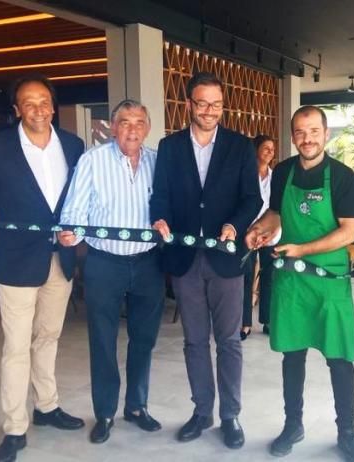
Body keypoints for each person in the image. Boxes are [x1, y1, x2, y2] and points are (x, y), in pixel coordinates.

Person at [246, 106, 354, 462]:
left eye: (314, 131)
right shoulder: (282, 172)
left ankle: (347, 431)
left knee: (339, 358)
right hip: (292, 282)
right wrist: (259, 230)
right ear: (293, 135)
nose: (307, 138)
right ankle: (293, 424)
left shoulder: (343, 177)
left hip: (329, 282)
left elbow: (350, 231)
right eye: (300, 132)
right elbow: (276, 214)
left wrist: (303, 248)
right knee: (292, 356)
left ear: (326, 134)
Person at [0, 74, 84, 462]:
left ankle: (47, 406)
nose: (37, 108)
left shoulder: (73, 145)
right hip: (17, 261)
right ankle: (14, 428)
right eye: (28, 102)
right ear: (17, 109)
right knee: (16, 347)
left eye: (43, 101)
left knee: (48, 338)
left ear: (53, 106)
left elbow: (80, 199)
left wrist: (80, 229)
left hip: (62, 258)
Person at [151, 72, 262, 449]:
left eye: (216, 104)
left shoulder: (239, 146)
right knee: (194, 341)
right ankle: (202, 411)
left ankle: (230, 416)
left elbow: (253, 198)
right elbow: (160, 196)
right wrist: (160, 219)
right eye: (202, 103)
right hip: (185, 259)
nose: (210, 111)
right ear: (188, 105)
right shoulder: (169, 147)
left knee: (228, 341)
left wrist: (234, 224)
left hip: (226, 259)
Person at [58, 99, 164, 444]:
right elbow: (75, 208)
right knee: (103, 341)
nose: (132, 129)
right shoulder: (92, 160)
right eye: (124, 122)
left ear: (147, 128)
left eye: (139, 122)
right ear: (113, 126)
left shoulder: (157, 162)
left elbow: (168, 207)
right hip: (104, 263)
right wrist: (71, 231)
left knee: (144, 339)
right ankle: (105, 412)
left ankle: (137, 406)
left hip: (148, 263)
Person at [241, 134, 279, 340]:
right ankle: (245, 322)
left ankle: (267, 320)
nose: (270, 152)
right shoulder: (246, 175)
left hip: (271, 235)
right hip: (248, 232)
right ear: (255, 150)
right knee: (246, 277)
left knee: (269, 276)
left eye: (272, 149)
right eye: (265, 148)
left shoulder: (276, 177)